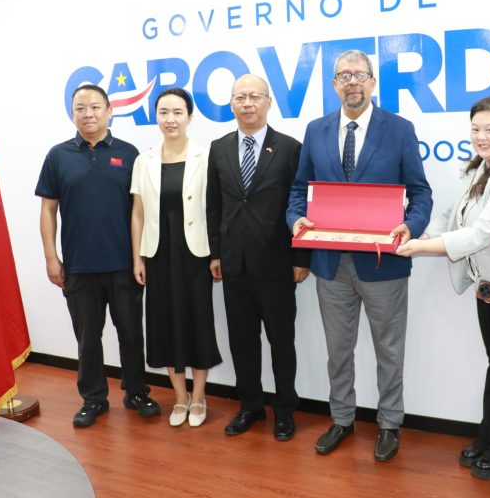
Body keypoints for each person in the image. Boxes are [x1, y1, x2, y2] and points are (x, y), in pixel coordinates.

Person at [286, 49, 433, 462]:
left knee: (389, 350)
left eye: (359, 74)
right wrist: (296, 220)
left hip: (384, 263)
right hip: (330, 264)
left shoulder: (399, 129)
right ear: (334, 84)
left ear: (372, 82)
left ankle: (389, 423)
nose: (352, 81)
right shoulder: (316, 130)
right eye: (343, 75)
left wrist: (411, 226)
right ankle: (342, 418)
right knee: (338, 350)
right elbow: (299, 190)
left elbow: (420, 192)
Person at [396, 96, 490, 479]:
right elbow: (453, 214)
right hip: (489, 282)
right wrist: (421, 234)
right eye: (476, 129)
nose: (481, 136)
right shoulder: (482, 165)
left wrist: (422, 248)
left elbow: (483, 233)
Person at [36, 84, 160, 427]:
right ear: (72, 114)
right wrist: (51, 257)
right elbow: (48, 210)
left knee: (131, 333)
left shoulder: (129, 154)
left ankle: (136, 392)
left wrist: (140, 258)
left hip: (124, 265)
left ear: (109, 111)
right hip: (79, 266)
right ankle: (93, 399)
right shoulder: (58, 156)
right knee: (87, 338)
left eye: (94, 107)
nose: (87, 114)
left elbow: (141, 211)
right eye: (80, 108)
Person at [206, 74, 310, 441]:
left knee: (281, 341)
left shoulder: (290, 148)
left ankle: (284, 411)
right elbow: (213, 205)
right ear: (232, 104)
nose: (247, 103)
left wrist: (302, 257)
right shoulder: (218, 148)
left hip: (277, 263)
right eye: (240, 97)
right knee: (242, 341)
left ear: (268, 102)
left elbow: (301, 205)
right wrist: (215, 253)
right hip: (234, 264)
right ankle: (250, 406)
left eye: (254, 97)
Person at [130, 88, 222, 427]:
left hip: (195, 255)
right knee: (164, 323)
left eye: (178, 112)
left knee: (198, 322)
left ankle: (199, 396)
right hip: (158, 254)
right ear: (156, 116)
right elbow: (137, 213)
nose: (171, 119)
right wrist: (138, 258)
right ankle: (180, 397)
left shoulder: (205, 157)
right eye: (164, 112)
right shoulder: (144, 160)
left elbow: (214, 210)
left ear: (190, 117)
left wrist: (216, 254)